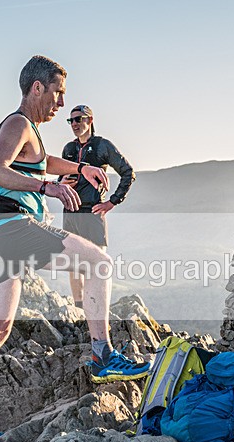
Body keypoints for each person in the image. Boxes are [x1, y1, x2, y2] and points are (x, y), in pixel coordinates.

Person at [0, 55, 150, 442]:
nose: (61, 102)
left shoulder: (30, 131)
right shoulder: (18, 123)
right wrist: (47, 188)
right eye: (58, 93)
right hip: (12, 225)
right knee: (99, 263)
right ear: (37, 87)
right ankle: (103, 355)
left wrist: (78, 169)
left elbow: (41, 162)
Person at [60, 104, 136, 308]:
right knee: (73, 264)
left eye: (79, 119)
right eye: (71, 120)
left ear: (90, 120)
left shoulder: (102, 145)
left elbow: (128, 173)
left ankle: (96, 309)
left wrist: (112, 201)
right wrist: (61, 183)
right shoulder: (68, 149)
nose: (74, 124)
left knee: (98, 264)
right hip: (70, 210)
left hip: (92, 211)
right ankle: (79, 310)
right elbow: (61, 177)